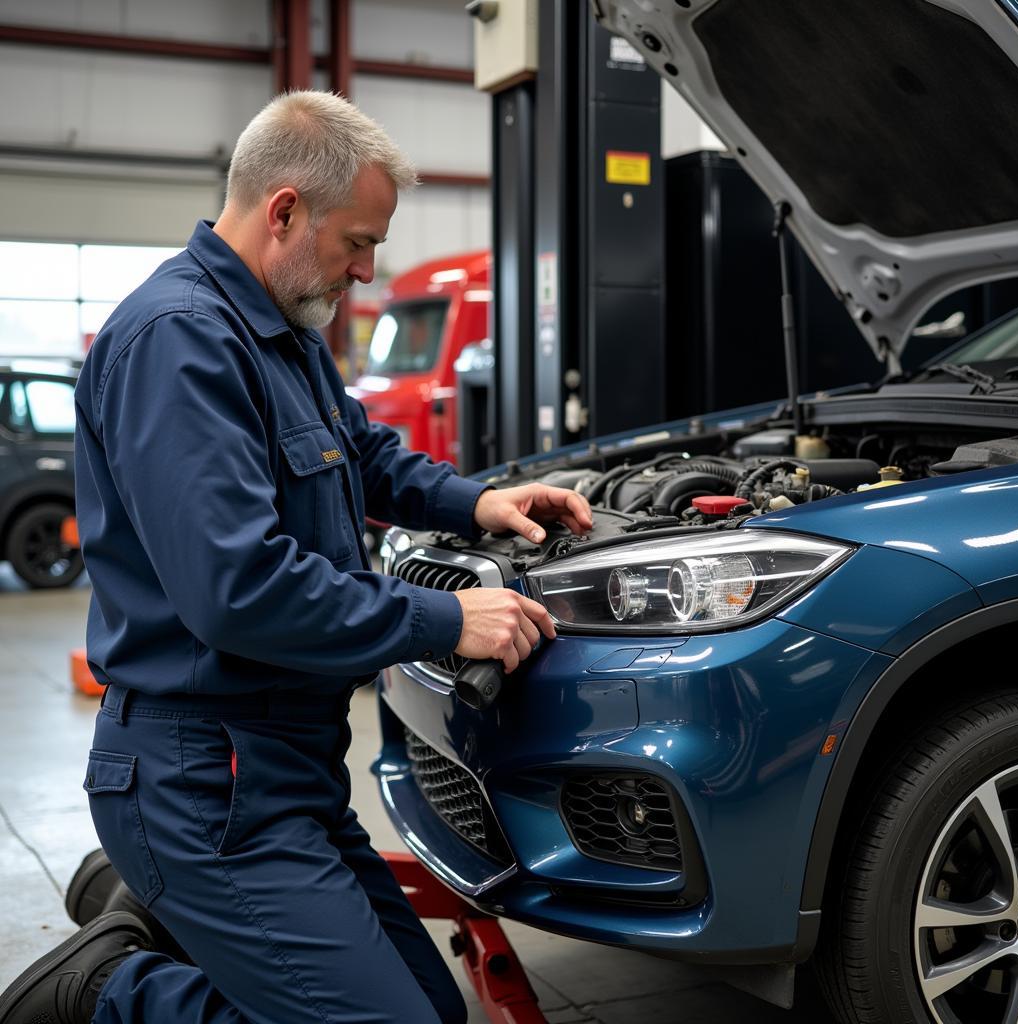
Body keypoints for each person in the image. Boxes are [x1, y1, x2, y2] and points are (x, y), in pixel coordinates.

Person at [0, 90, 592, 1024]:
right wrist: (445, 620)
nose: (364, 270)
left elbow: (358, 451)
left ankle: (149, 922)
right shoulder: (179, 343)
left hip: (291, 768)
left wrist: (476, 500)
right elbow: (240, 590)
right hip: (203, 781)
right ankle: (110, 994)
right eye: (358, 242)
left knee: (436, 1014)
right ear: (284, 212)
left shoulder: (284, 332)